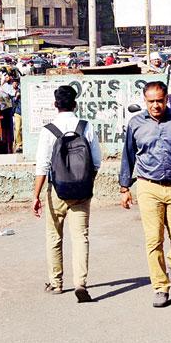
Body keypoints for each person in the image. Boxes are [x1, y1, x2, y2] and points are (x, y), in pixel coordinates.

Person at [119, 81, 171, 308]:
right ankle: (160, 287)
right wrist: (124, 188)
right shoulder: (136, 123)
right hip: (147, 186)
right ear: (145, 101)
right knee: (154, 239)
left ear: (167, 99)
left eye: (159, 101)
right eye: (151, 101)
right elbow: (128, 155)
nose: (156, 105)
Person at [32, 85, 101, 302]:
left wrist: (36, 196)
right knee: (81, 237)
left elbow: (42, 167)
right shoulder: (86, 127)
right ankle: (80, 282)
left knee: (54, 236)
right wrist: (84, 182)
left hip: (57, 190)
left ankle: (56, 283)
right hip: (81, 191)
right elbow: (97, 162)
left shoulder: (48, 130)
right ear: (75, 104)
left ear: (55, 105)